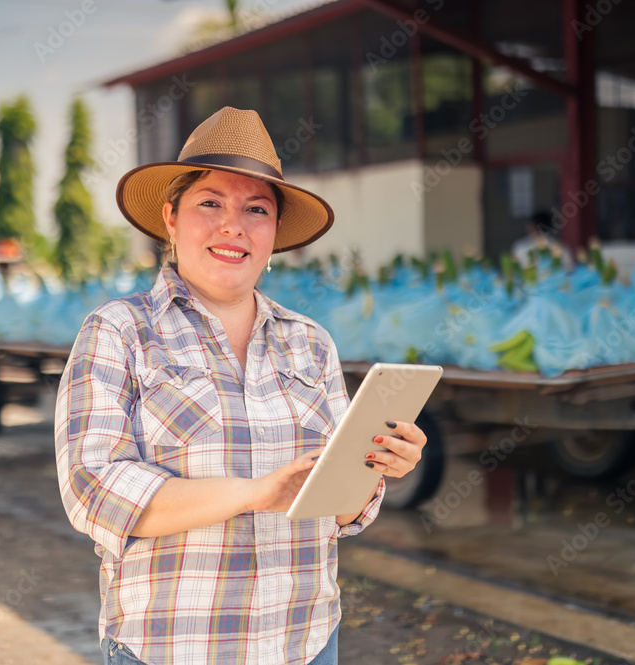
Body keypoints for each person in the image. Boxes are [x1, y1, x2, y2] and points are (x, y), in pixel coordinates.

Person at [55, 107, 428, 665]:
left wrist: (379, 466)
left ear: (274, 234)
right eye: (211, 203)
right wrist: (254, 494)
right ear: (171, 219)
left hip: (303, 642)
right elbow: (93, 491)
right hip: (172, 648)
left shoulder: (310, 343)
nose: (234, 225)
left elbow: (342, 507)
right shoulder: (119, 332)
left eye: (257, 209)